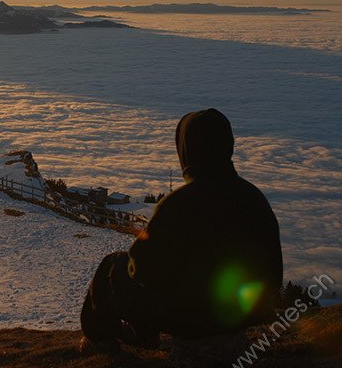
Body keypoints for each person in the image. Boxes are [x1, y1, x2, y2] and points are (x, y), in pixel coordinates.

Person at [80, 108, 283, 352]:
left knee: (113, 266)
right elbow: (274, 275)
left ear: (186, 150)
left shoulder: (179, 204)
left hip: (186, 318)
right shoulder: (254, 199)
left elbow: (142, 269)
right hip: (241, 316)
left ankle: (101, 338)